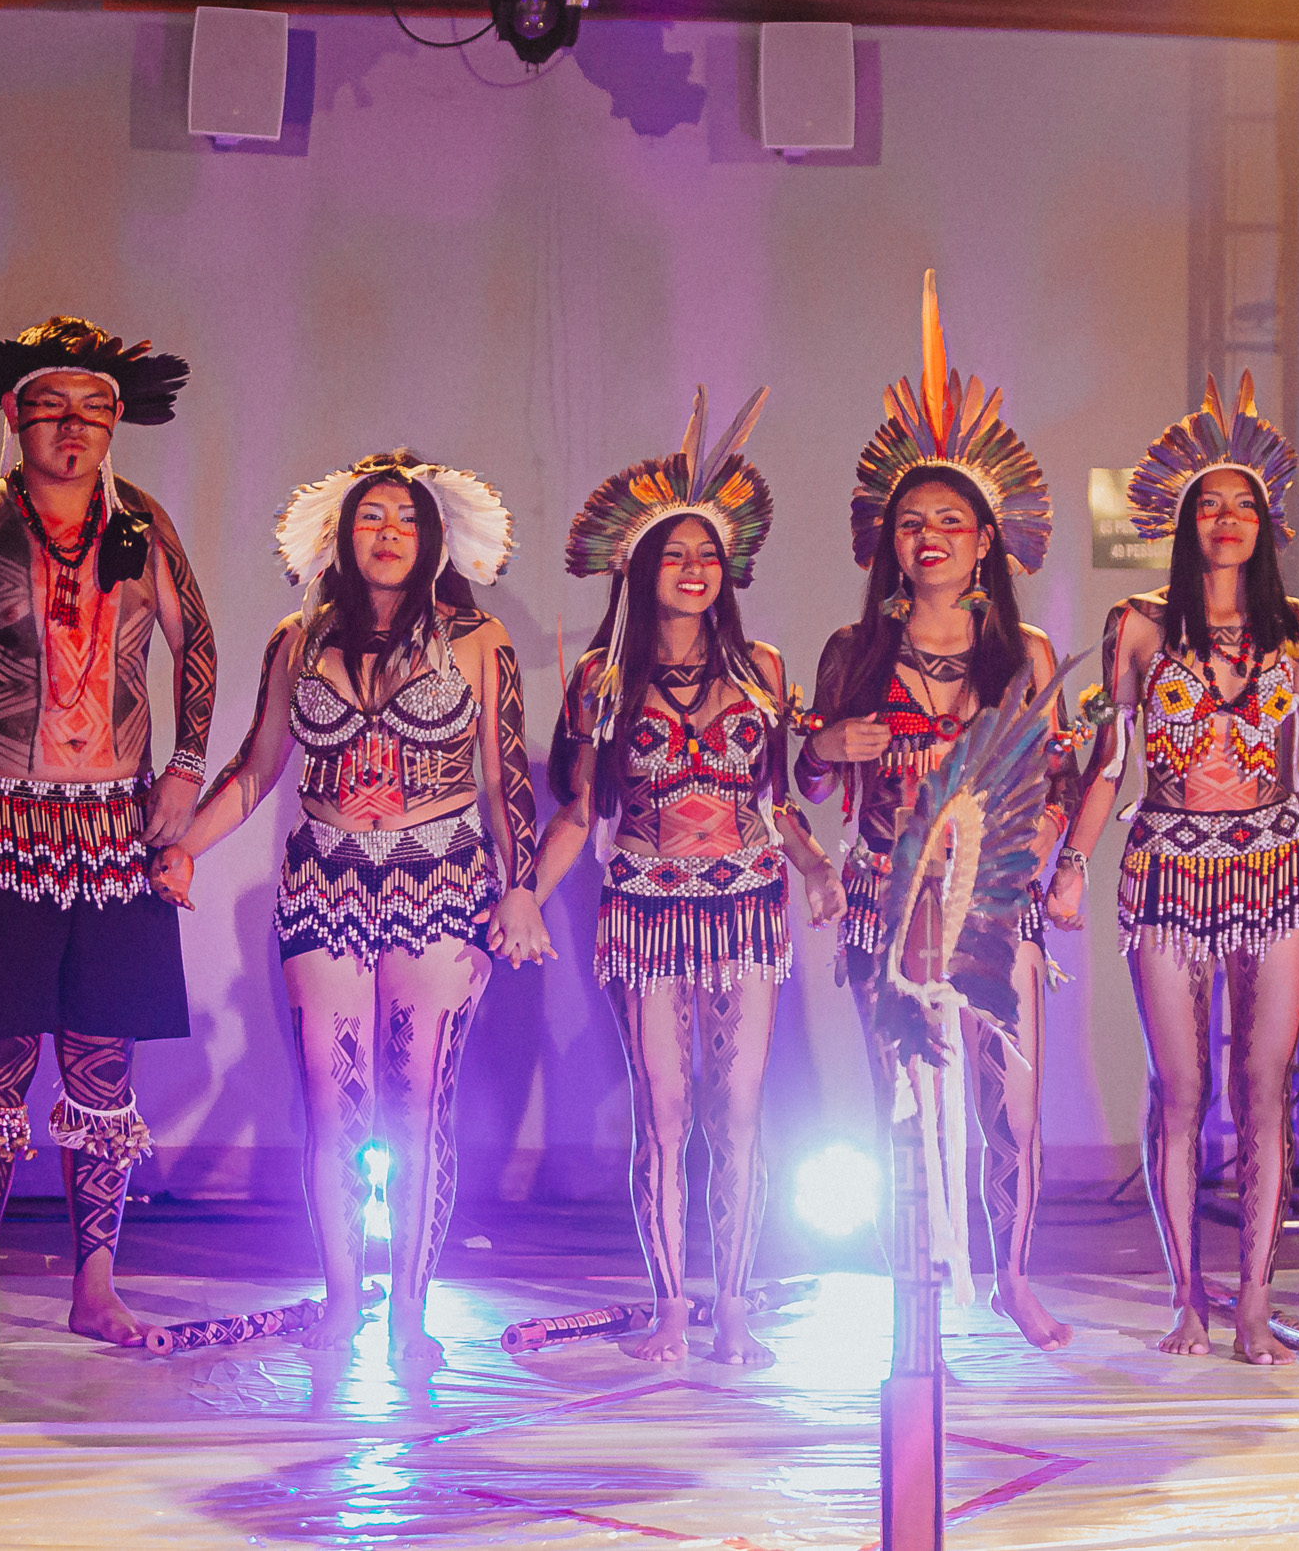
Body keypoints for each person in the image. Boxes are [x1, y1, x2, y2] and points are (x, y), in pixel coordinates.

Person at [149, 450, 549, 1369]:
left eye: (406, 519)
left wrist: (521, 884)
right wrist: (186, 846)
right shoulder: (298, 639)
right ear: (342, 535)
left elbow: (503, 780)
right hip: (324, 880)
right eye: (372, 517)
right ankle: (340, 1296)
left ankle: (408, 1305)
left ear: (433, 536)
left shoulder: (479, 639)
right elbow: (257, 766)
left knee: (417, 1106)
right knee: (334, 1108)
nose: (389, 533)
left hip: (439, 877)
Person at [0, 316, 217, 1358]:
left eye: (93, 410)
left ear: (117, 422)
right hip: (4, 825)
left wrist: (185, 770)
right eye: (51, 408)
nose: (73, 429)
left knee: (104, 1068)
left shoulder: (144, 525)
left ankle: (95, 1284)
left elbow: (195, 642)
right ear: (13, 415)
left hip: (115, 828)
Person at [797, 272, 1077, 1351]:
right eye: (911, 522)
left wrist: (1038, 853)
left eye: (950, 521)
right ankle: (911, 1286)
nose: (929, 537)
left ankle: (1013, 1276)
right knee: (903, 1104)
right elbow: (807, 782)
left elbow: (1057, 782)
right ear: (889, 543)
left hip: (993, 906)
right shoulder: (853, 649)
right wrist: (824, 746)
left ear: (985, 540)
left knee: (1010, 1104)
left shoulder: (1027, 653)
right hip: (885, 897)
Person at [536, 387, 843, 1366]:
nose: (695, 567)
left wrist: (817, 867)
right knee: (664, 1116)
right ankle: (672, 1304)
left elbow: (778, 799)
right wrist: (523, 893)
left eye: (707, 552)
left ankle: (735, 1306)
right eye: (675, 552)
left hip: (746, 906)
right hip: (644, 908)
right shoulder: (601, 678)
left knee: (737, 1115)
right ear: (639, 566)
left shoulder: (763, 669)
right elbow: (580, 810)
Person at [1051, 376, 1299, 1363]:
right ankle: (1186, 1297)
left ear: (1265, 521)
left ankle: (1253, 1298)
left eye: (1242, 503)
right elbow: (1108, 762)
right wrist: (1071, 865)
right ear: (1182, 523)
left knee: (1264, 1085)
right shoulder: (1137, 624)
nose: (1225, 518)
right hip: (1167, 867)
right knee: (1180, 1087)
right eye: (1208, 504)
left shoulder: (1296, 628)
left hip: (1275, 868)